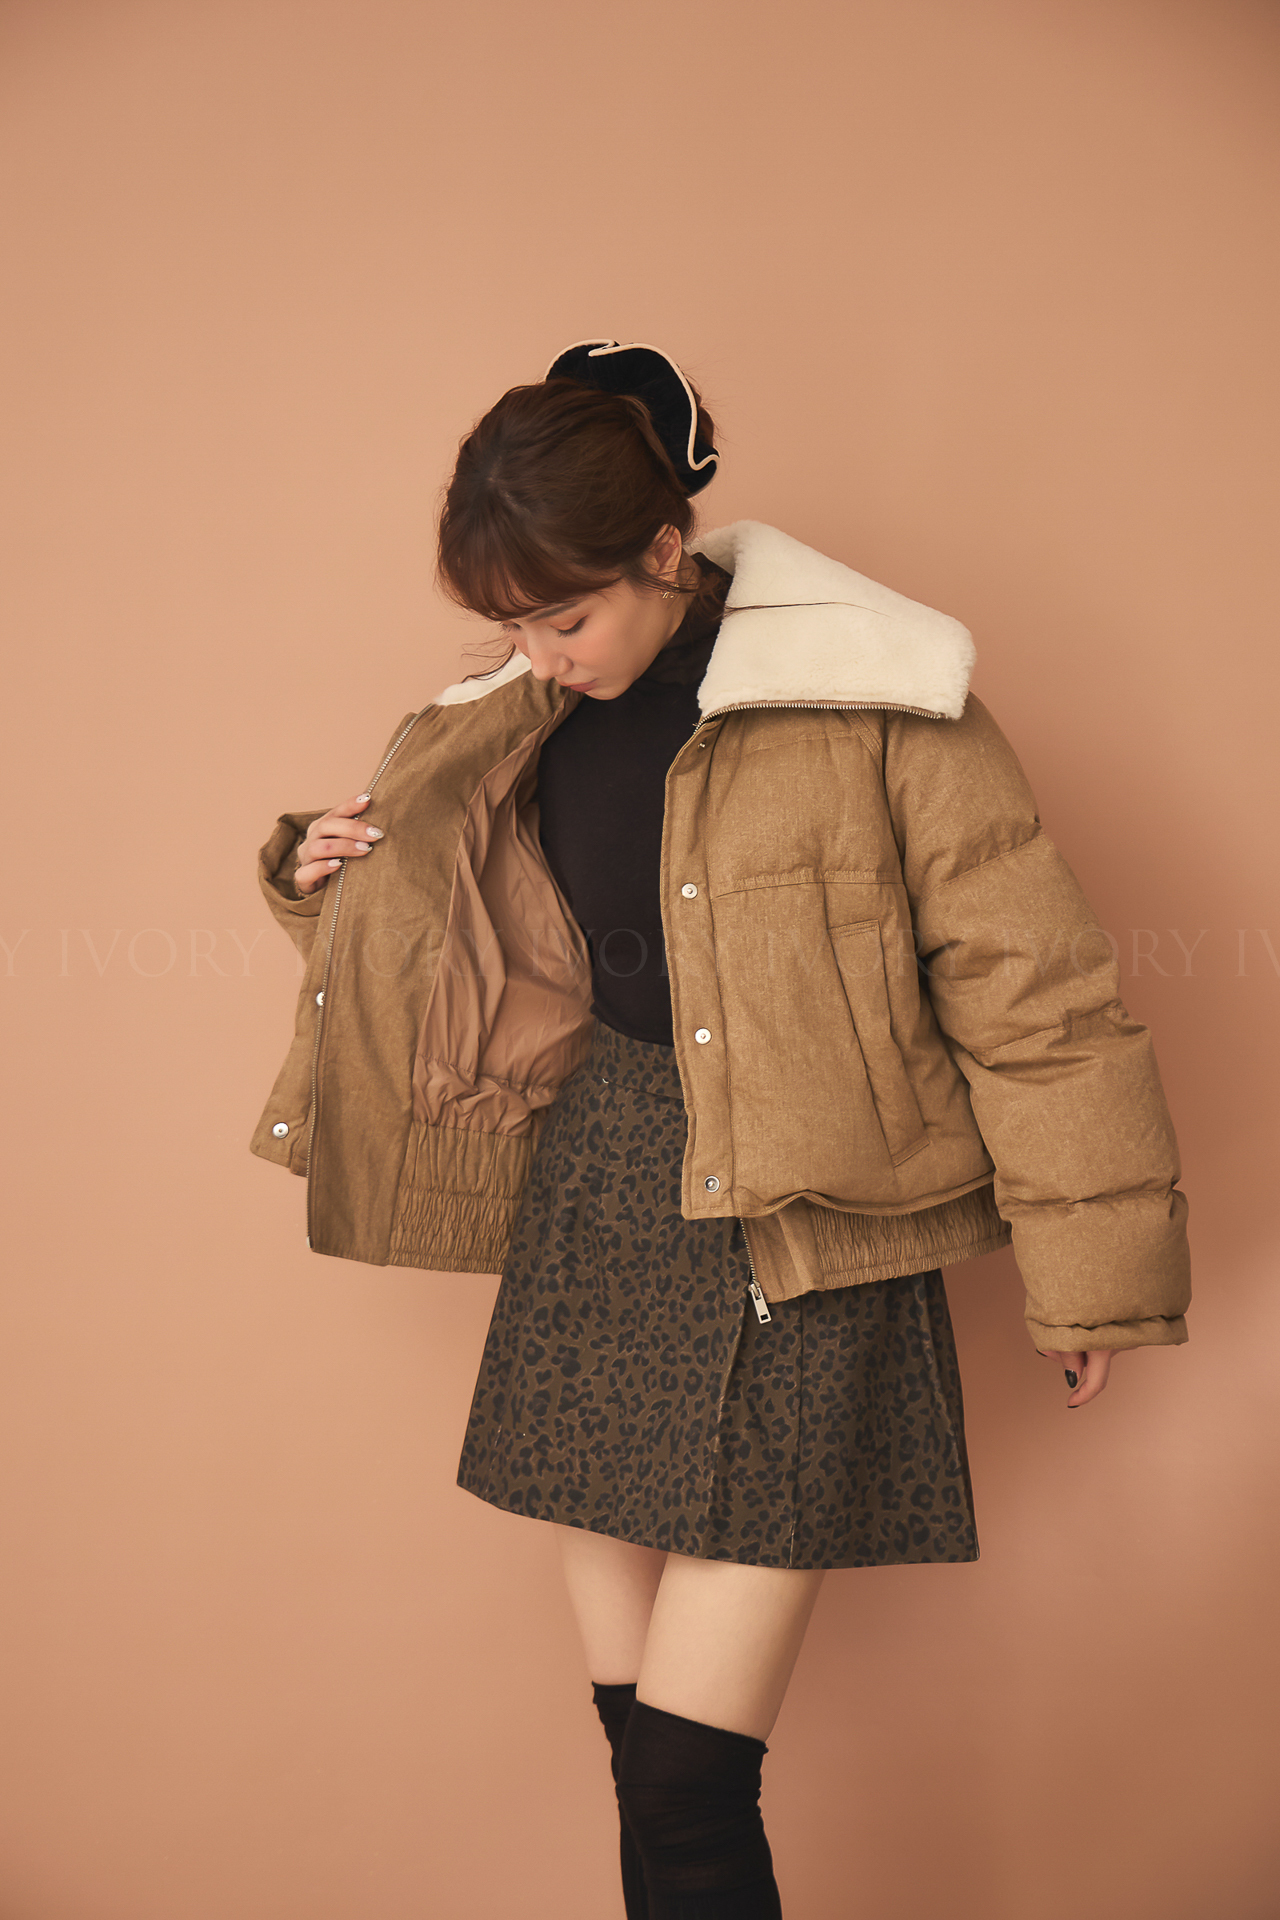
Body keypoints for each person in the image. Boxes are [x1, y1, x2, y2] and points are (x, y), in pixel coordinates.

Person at [251, 339, 1192, 1918]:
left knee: (688, 1783)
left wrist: (1092, 1268)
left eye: (566, 617)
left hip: (806, 1228)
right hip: (598, 1207)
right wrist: (318, 875)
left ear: (665, 550)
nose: (541, 654)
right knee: (641, 1756)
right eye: (510, 625)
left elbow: (1034, 990)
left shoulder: (877, 698)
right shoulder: (508, 719)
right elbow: (446, 950)